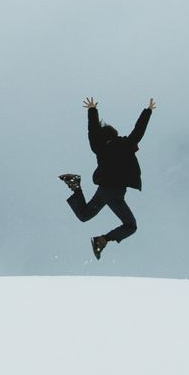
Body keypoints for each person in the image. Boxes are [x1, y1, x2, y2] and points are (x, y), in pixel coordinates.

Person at [59, 96, 155, 260]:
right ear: (114, 133)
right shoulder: (126, 144)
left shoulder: (100, 147)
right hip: (114, 193)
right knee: (130, 226)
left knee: (84, 216)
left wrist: (92, 111)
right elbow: (139, 130)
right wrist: (147, 112)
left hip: (105, 191)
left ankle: (75, 185)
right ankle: (101, 240)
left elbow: (93, 132)